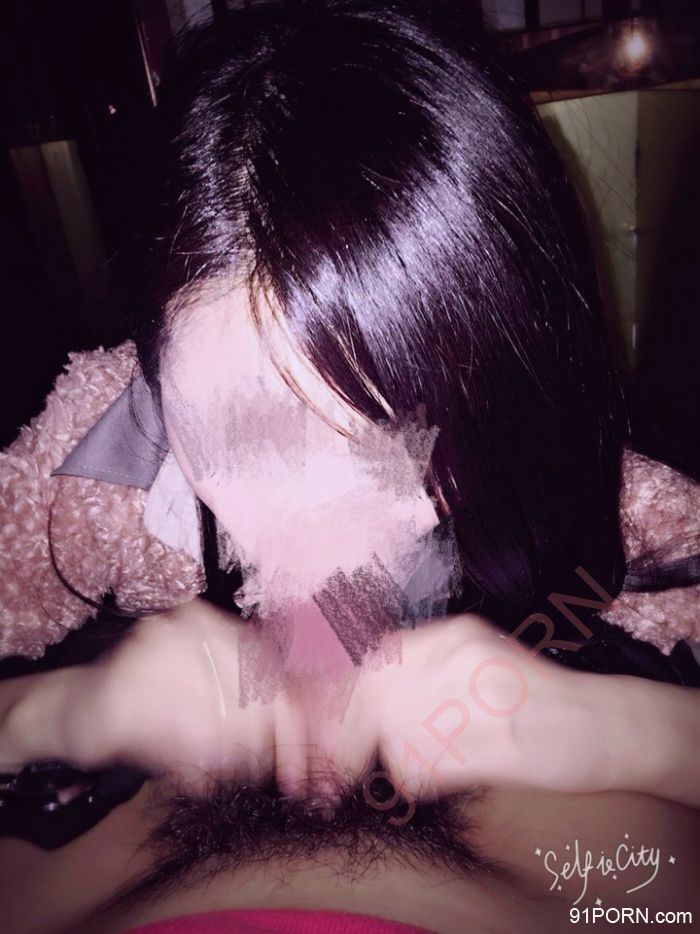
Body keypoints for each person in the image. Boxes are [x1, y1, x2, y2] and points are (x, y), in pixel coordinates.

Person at [0, 0, 698, 930]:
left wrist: (620, 732)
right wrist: (59, 710)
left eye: (388, 444)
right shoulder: (91, 479)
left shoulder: (616, 505)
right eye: (241, 442)